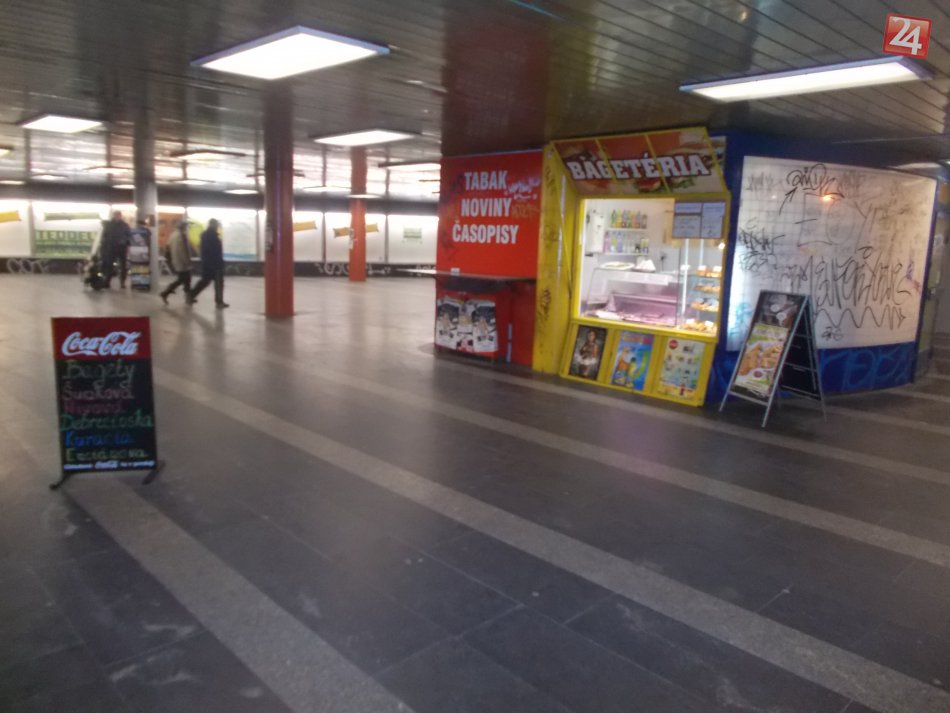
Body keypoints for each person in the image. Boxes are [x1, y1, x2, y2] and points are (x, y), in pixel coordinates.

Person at [188, 218, 228, 308]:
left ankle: (191, 295)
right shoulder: (211, 236)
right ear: (212, 225)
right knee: (218, 283)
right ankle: (219, 302)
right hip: (215, 263)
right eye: (216, 225)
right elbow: (213, 251)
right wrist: (218, 263)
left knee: (205, 281)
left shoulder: (207, 235)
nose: (217, 226)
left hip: (208, 263)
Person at [159, 221, 193, 304]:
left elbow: (168, 247)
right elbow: (182, 251)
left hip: (176, 260)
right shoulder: (181, 236)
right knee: (182, 279)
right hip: (182, 262)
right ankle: (165, 293)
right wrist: (187, 262)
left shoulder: (173, 235)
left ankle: (188, 297)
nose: (186, 228)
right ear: (182, 227)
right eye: (185, 226)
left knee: (186, 279)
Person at [99, 211, 131, 288]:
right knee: (109, 265)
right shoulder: (109, 225)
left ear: (120, 216)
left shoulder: (125, 225)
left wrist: (125, 242)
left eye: (118, 215)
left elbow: (129, 236)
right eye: (116, 215)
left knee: (123, 266)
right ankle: (107, 281)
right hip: (111, 248)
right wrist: (105, 245)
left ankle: (122, 282)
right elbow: (105, 235)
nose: (117, 217)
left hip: (122, 248)